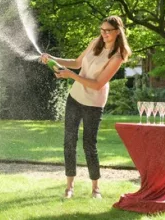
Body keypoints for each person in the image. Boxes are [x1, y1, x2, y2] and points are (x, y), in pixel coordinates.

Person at [40, 15, 131, 199]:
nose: (104, 33)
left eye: (108, 31)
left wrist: (71, 76)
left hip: (94, 103)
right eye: (102, 29)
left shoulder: (118, 56)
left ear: (117, 32)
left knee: (89, 144)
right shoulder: (95, 42)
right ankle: (69, 187)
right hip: (75, 97)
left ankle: (96, 188)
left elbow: (98, 84)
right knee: (69, 141)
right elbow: (76, 63)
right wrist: (52, 59)